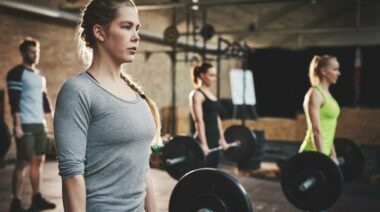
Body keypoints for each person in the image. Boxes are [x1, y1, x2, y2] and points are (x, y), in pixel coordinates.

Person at [54, 0, 161, 211]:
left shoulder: (135, 93)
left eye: (137, 28)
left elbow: (143, 170)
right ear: (100, 32)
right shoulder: (78, 91)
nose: (136, 36)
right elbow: (73, 176)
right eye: (126, 26)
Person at [6, 37, 56, 211]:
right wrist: (17, 125)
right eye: (31, 52)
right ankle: (16, 201)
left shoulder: (40, 75)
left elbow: (44, 100)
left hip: (39, 123)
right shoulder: (16, 74)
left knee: (39, 160)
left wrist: (51, 121)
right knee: (22, 162)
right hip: (25, 123)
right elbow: (14, 101)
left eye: (37, 52)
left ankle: (36, 197)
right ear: (23, 52)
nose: (35, 55)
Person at [299, 55, 341, 164]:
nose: (338, 73)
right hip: (312, 153)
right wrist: (323, 160)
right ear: (323, 71)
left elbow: (329, 130)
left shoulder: (329, 96)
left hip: (323, 154)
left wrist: (333, 155)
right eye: (335, 69)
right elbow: (316, 130)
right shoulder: (315, 93)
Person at [189, 62, 229, 168]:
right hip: (204, 139)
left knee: (212, 173)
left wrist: (222, 139)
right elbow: (198, 121)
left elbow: (217, 118)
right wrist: (204, 144)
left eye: (215, 75)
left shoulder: (211, 94)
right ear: (202, 75)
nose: (214, 78)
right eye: (211, 75)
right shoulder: (197, 94)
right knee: (202, 175)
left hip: (214, 139)